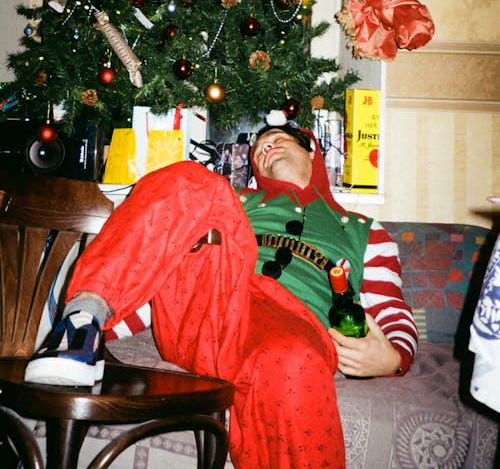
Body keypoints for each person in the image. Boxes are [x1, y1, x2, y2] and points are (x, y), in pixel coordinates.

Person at [25, 112, 418, 469]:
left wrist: (394, 357)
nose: (266, 145)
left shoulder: (366, 229)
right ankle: (81, 321)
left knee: (295, 358)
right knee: (194, 179)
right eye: (260, 146)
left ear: (312, 152)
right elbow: (164, 275)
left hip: (293, 336)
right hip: (214, 311)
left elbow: (392, 309)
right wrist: (104, 327)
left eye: (280, 138)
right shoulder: (236, 202)